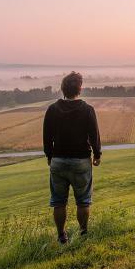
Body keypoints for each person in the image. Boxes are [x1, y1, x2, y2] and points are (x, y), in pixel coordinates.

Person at [43, 71, 101, 244]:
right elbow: (94, 135)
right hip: (81, 161)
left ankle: (62, 236)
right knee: (83, 201)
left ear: (62, 89)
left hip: (58, 161)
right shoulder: (87, 110)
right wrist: (97, 155)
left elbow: (47, 137)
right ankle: (83, 233)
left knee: (59, 202)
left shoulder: (52, 109)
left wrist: (49, 156)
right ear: (80, 89)